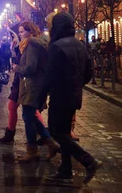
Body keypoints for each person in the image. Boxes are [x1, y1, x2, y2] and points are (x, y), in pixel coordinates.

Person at [40, 12, 102, 184]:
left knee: (56, 132)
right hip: (74, 96)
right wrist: (76, 85)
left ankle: (88, 161)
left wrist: (40, 98)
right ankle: (65, 170)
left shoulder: (56, 46)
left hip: (60, 96)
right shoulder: (80, 45)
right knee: (65, 132)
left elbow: (49, 76)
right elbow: (89, 72)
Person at [15, 21, 60, 162]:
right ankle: (50, 143)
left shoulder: (32, 45)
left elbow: (30, 67)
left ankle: (33, 150)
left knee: (28, 117)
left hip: (32, 85)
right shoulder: (30, 45)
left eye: (22, 31)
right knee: (30, 116)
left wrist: (17, 68)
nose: (20, 34)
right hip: (33, 84)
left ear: (30, 31)